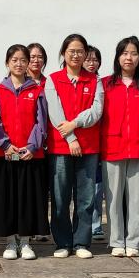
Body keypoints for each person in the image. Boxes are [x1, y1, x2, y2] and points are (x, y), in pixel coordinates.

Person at [44, 33, 103, 259]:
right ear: (63, 53)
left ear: (85, 53)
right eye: (72, 51)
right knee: (60, 197)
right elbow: (54, 112)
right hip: (61, 147)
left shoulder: (95, 80)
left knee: (86, 198)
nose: (76, 55)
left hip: (89, 147)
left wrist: (75, 124)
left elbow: (96, 111)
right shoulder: (53, 79)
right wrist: (71, 138)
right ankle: (62, 242)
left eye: (80, 51)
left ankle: (81, 242)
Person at [0, 44, 48, 260]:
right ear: (7, 63)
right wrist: (5, 145)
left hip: (29, 155)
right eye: (14, 60)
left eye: (23, 60)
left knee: (27, 199)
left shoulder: (37, 91)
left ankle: (25, 242)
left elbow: (41, 121)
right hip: (6, 154)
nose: (19, 64)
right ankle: (10, 242)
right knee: (8, 199)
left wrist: (32, 146)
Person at [100, 37, 139, 257]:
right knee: (113, 197)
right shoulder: (105, 84)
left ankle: (133, 242)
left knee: (136, 197)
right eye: (124, 53)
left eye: (133, 53)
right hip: (112, 146)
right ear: (117, 57)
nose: (129, 57)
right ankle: (116, 241)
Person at [26, 42, 51, 243]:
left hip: (48, 142)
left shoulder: (48, 83)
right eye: (32, 56)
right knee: (27, 188)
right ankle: (28, 226)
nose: (36, 60)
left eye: (39, 56)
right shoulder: (19, 82)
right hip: (25, 143)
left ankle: (41, 226)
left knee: (42, 187)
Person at [83, 45, 106, 241]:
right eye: (88, 59)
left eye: (95, 59)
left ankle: (96, 223)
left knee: (97, 186)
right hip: (77, 140)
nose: (91, 63)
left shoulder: (103, 83)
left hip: (98, 142)